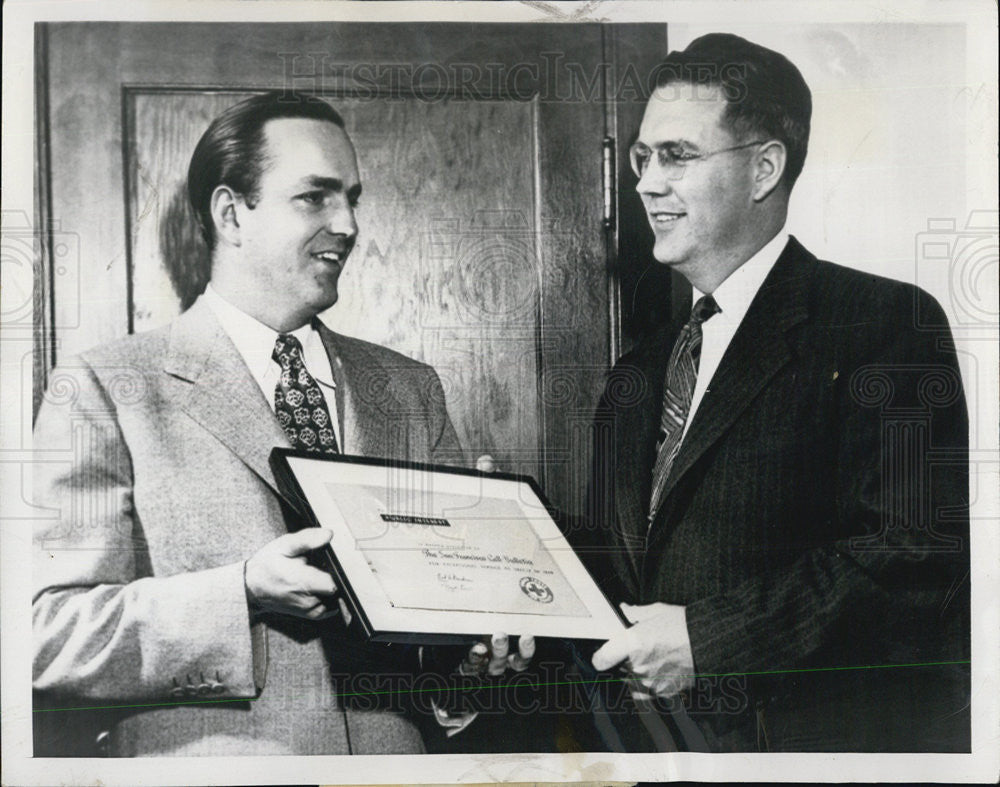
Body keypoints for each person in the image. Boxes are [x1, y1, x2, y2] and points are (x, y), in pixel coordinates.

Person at [32, 91, 480, 756]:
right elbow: (45, 637)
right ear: (230, 214)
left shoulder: (410, 388)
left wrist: (470, 664)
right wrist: (240, 593)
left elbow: (451, 615)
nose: (349, 223)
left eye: (352, 197)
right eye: (316, 197)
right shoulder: (108, 387)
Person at [585, 34, 970, 752]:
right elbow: (613, 572)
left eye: (677, 155)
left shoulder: (881, 324)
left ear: (764, 168)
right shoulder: (635, 374)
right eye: (643, 157)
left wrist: (707, 638)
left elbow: (912, 557)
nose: (645, 183)